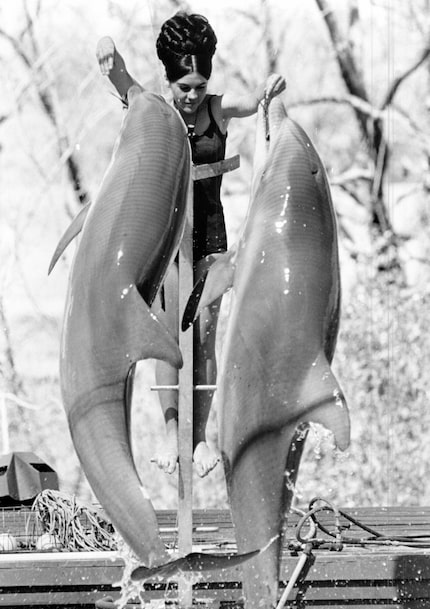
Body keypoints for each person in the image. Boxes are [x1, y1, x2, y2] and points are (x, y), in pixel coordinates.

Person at [96, 11, 286, 478]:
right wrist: (108, 52)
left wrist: (271, 88)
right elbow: (126, 84)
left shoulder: (216, 110)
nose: (192, 95)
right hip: (167, 240)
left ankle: (200, 437)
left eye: (200, 86)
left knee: (203, 337)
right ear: (170, 80)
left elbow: (256, 99)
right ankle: (169, 433)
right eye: (185, 87)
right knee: (167, 338)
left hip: (211, 241)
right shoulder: (157, 109)